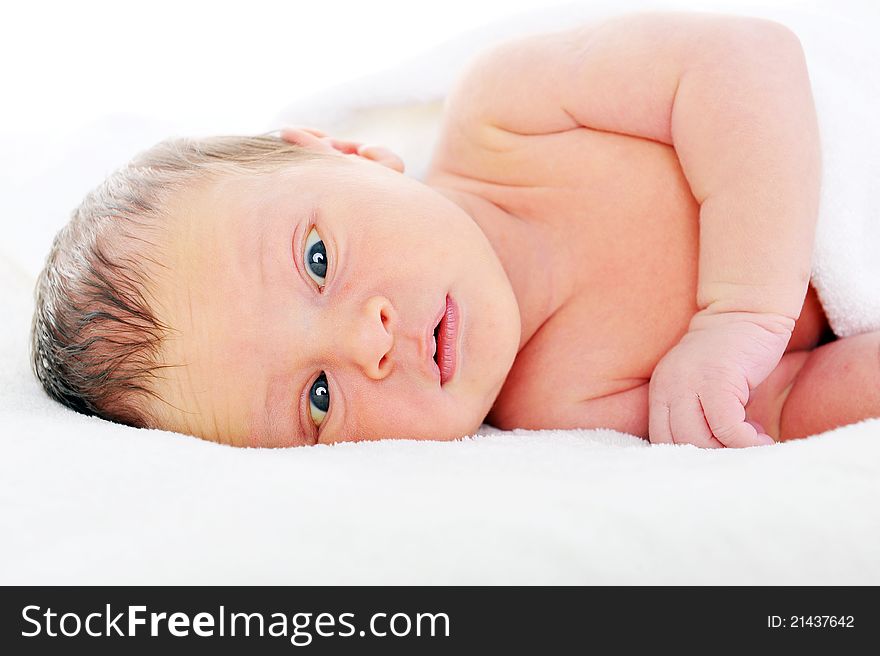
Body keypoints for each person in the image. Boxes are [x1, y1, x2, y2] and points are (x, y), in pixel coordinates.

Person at [31, 11, 880, 448]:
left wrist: (740, 313)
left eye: (317, 259)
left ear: (351, 153)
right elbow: (781, 399)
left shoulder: (513, 113)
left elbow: (744, 58)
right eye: (319, 398)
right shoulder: (558, 407)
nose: (367, 340)